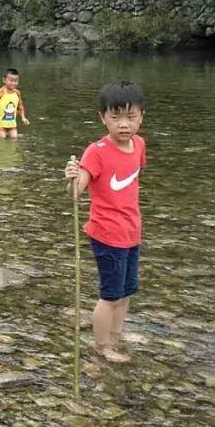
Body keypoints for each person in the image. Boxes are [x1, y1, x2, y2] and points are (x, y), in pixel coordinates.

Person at [64, 81, 147, 364]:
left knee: (126, 292)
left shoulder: (139, 145)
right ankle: (101, 346)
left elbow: (130, 181)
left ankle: (115, 335)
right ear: (103, 117)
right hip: (107, 233)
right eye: (115, 118)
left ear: (141, 116)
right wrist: (73, 178)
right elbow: (76, 193)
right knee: (110, 295)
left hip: (131, 231)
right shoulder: (96, 151)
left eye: (130, 117)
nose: (124, 125)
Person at [0, 68, 29, 139]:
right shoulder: (0, 92)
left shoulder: (17, 93)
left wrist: (23, 117)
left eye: (15, 81)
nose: (13, 83)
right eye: (11, 81)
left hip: (12, 124)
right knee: (2, 139)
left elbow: (20, 107)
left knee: (14, 138)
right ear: (4, 80)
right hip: (0, 123)